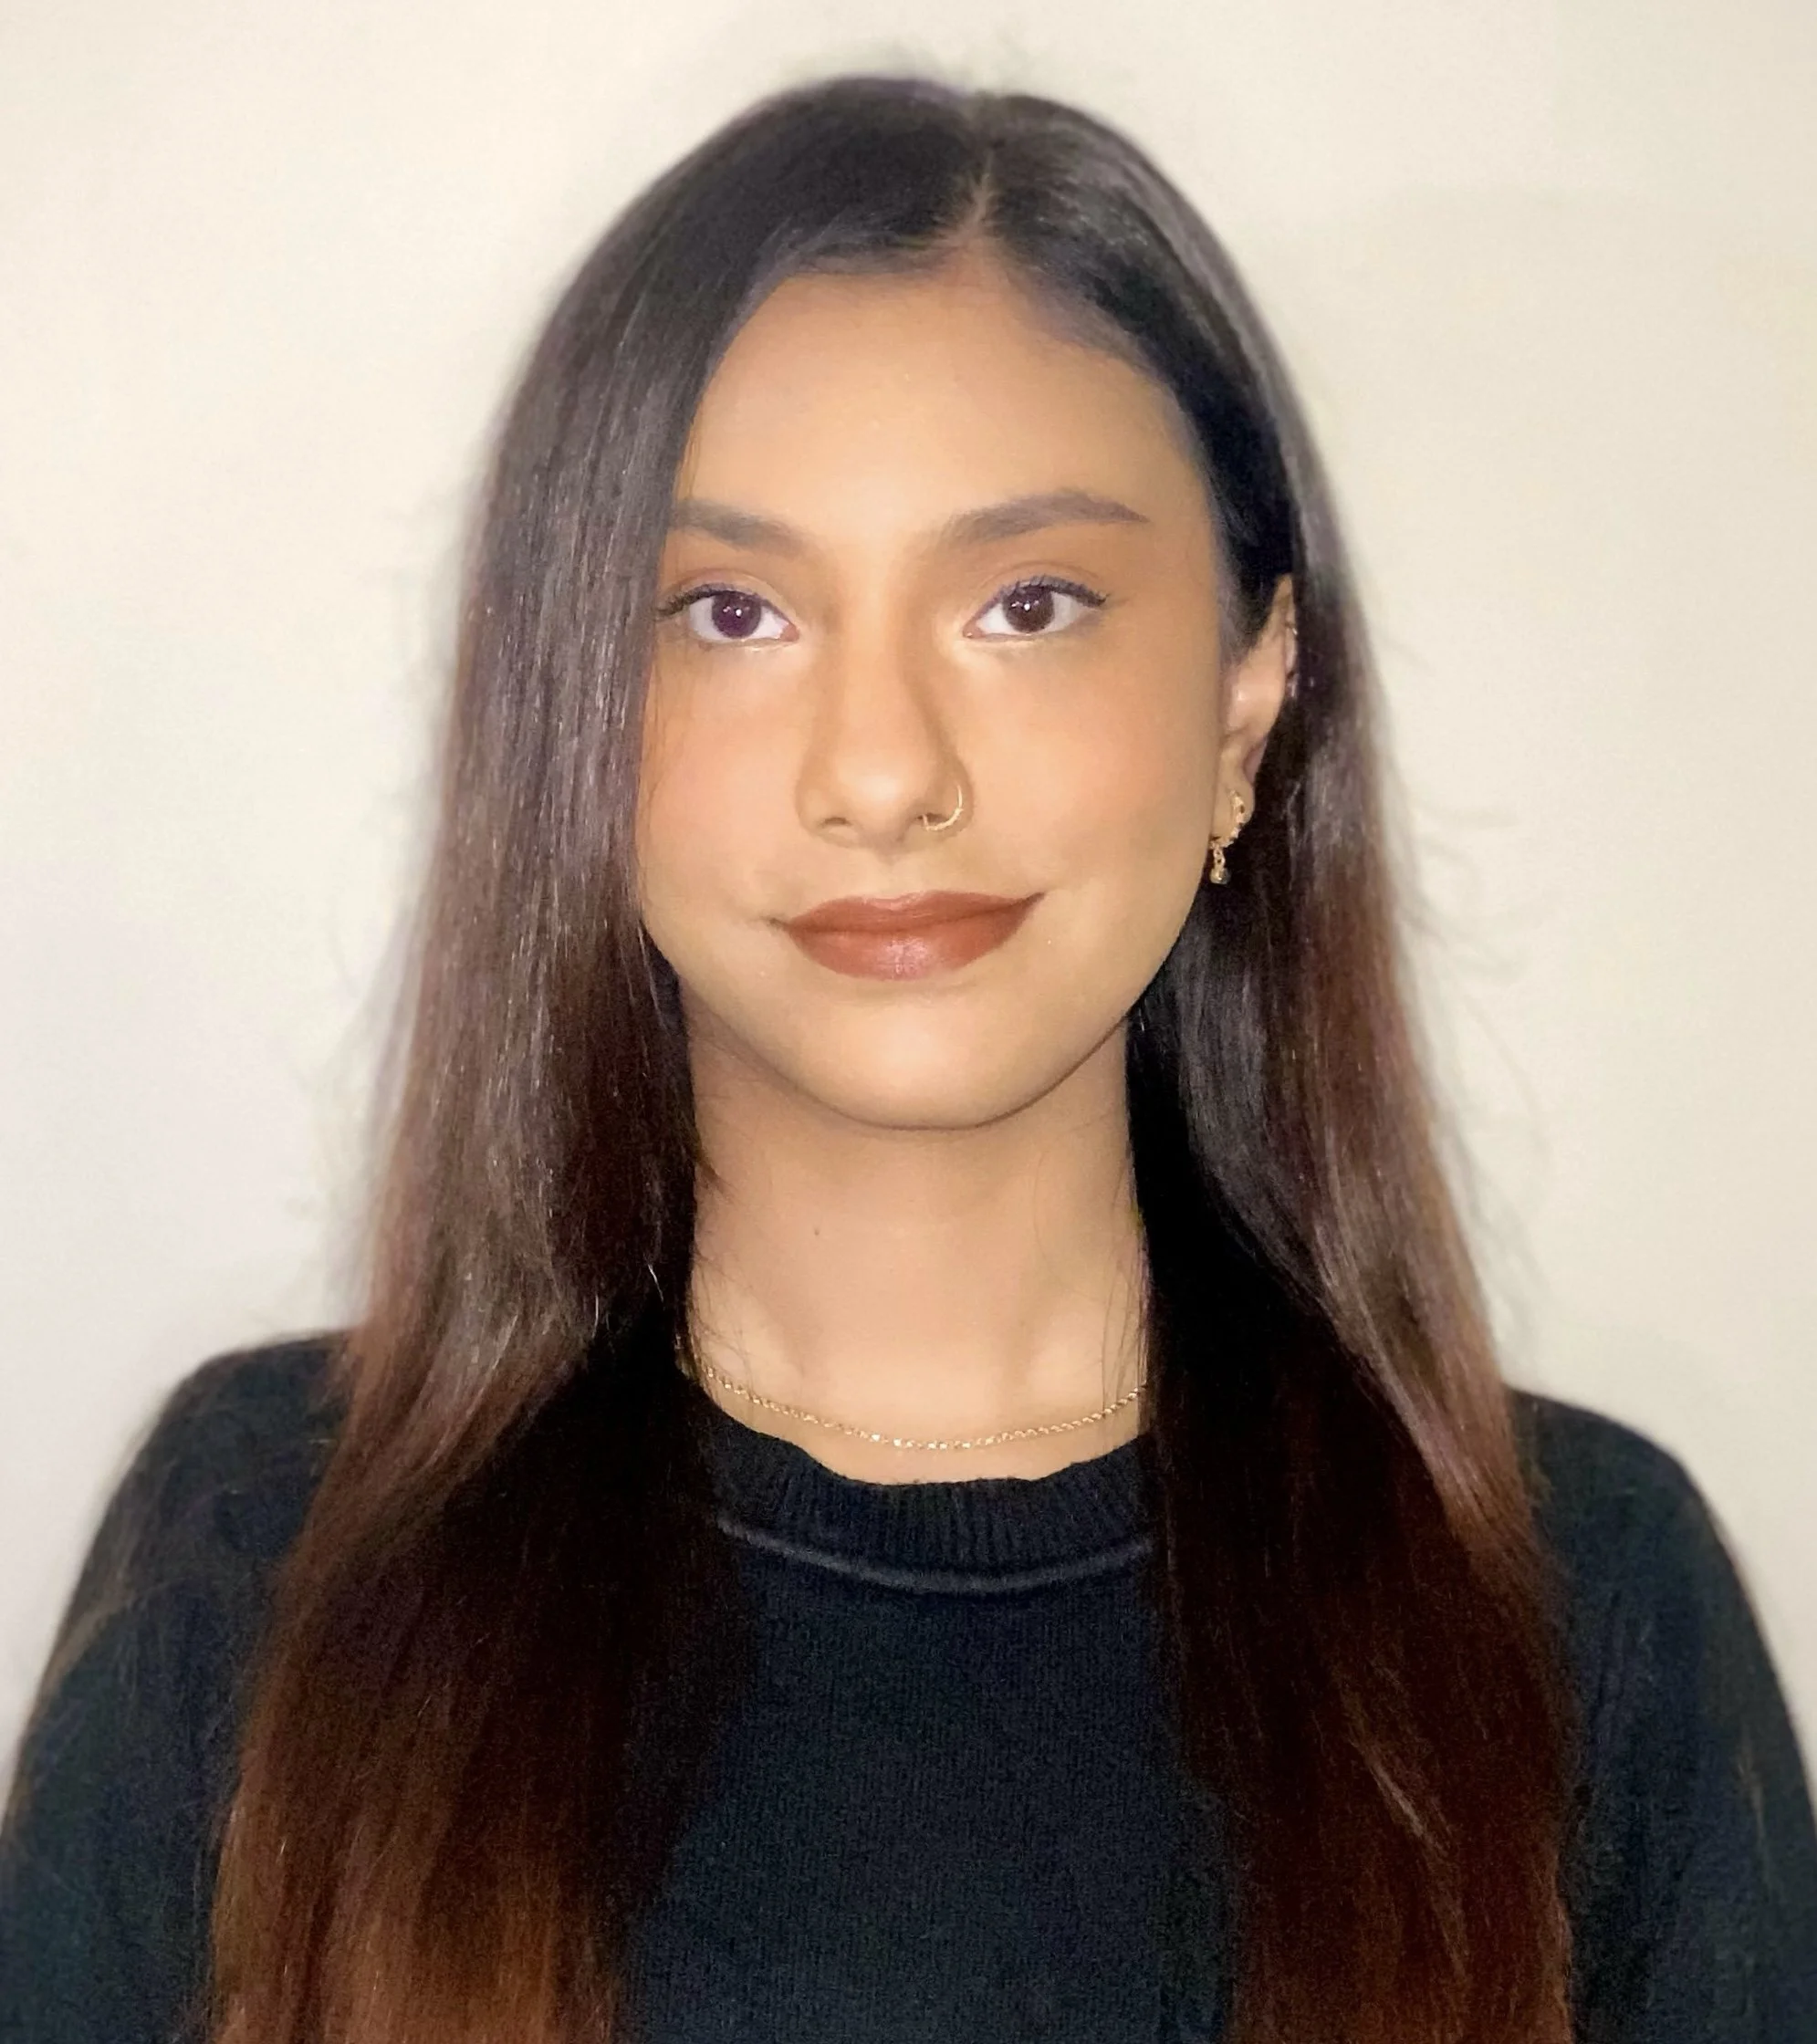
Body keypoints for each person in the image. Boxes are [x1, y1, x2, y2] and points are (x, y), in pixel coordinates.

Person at [2, 70, 1813, 2044]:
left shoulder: (1576, 1606)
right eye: (731, 611)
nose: (881, 771)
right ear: (569, 718)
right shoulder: (265, 1560)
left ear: (1245, 694)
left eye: (1026, 605)